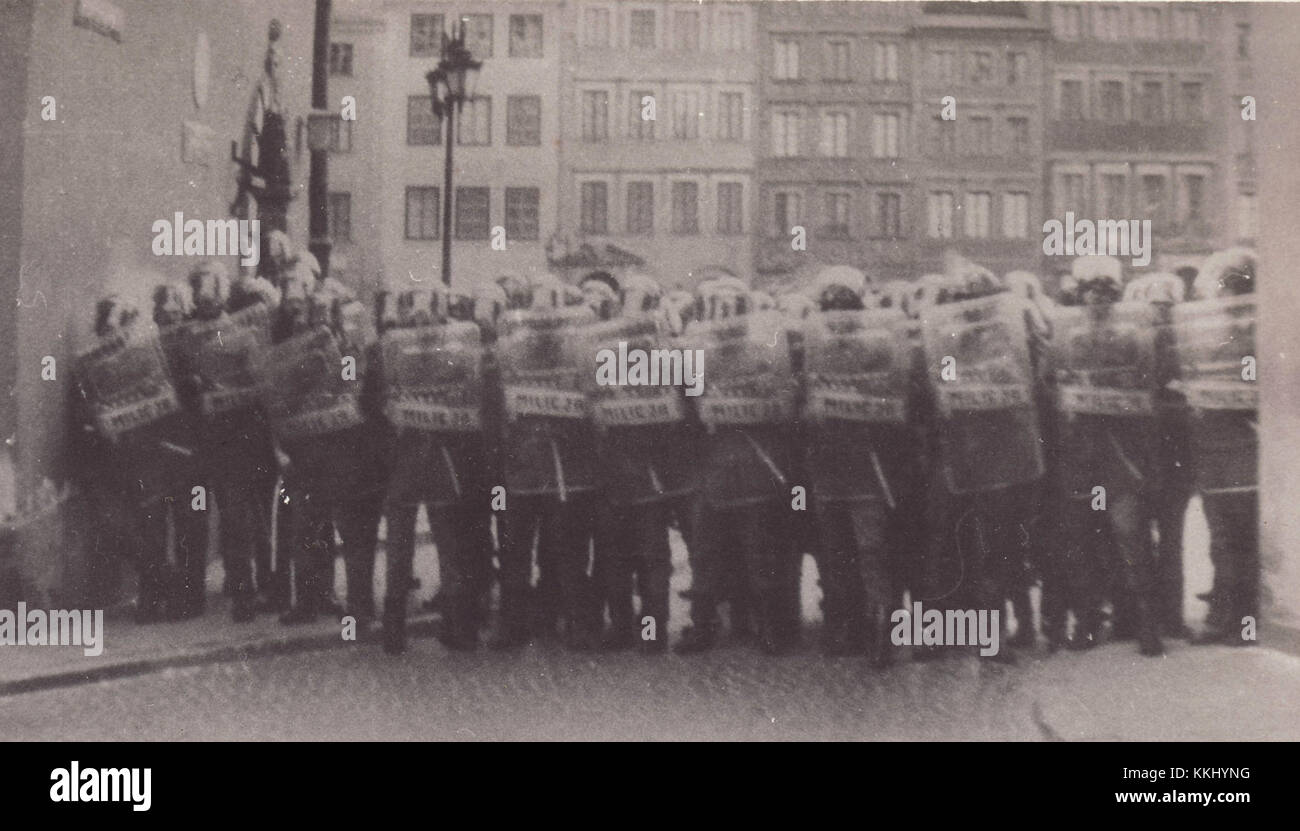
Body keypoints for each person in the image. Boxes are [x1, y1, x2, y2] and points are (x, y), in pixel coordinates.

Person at [675, 279, 801, 655]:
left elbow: (784, 405)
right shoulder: (692, 355)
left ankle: (770, 626)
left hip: (754, 465)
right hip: (713, 467)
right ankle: (704, 624)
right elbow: (681, 410)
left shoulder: (767, 353)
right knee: (706, 552)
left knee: (760, 549)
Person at [585, 272, 695, 654]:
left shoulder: (673, 351)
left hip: (649, 468)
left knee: (649, 556)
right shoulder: (601, 349)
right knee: (619, 556)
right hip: (617, 468)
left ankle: (649, 629)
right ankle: (623, 626)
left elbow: (688, 406)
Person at [491, 273, 601, 651]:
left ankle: (574, 622)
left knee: (566, 553)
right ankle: (516, 624)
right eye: (540, 324)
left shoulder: (583, 352)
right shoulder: (509, 351)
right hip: (524, 465)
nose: (544, 332)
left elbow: (597, 403)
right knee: (517, 551)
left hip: (567, 467)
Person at [378, 288, 490, 654]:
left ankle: (398, 631)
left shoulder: (394, 349)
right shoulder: (455, 350)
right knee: (443, 548)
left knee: (411, 547)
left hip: (416, 457)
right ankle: (454, 629)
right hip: (433, 458)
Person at [1185, 248, 1259, 646]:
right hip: (1215, 446)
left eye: (1233, 288)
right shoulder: (1212, 332)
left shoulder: (1258, 333)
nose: (1226, 296)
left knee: (1240, 540)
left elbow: (1256, 391)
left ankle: (1242, 622)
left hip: (1244, 447)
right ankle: (1224, 617)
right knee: (1222, 539)